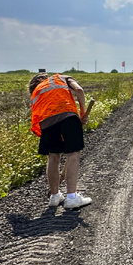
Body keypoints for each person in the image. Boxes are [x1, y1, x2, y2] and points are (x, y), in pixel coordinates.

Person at [28, 73, 93, 210]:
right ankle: (71, 198)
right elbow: (79, 90)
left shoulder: (37, 91)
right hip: (67, 115)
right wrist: (82, 113)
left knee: (53, 155)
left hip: (46, 122)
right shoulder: (62, 77)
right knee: (73, 154)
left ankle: (55, 196)